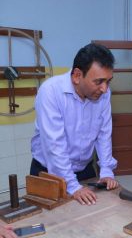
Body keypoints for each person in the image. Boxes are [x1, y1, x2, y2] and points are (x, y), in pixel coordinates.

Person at [30, 43, 119, 205]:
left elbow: (104, 134)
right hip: (49, 172)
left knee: (93, 220)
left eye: (108, 81)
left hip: (84, 169)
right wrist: (72, 186)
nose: (105, 89)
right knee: (53, 223)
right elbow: (54, 145)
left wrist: (106, 171)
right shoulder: (51, 91)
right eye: (99, 81)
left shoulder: (103, 94)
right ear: (77, 75)